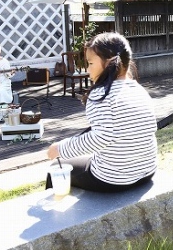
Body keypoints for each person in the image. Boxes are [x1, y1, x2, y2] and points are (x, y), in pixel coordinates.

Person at [46, 32, 157, 192]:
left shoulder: (99, 95)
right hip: (147, 171)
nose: (87, 69)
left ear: (110, 62)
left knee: (56, 169)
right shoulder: (139, 90)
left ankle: (59, 216)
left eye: (90, 63)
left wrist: (60, 148)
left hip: (113, 179)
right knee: (88, 158)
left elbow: (101, 137)